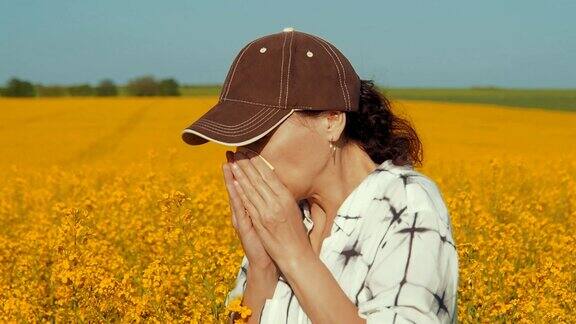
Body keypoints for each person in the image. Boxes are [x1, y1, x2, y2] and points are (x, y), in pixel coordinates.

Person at [181, 27, 459, 324]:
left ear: (332, 121)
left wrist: (295, 255)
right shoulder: (288, 215)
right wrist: (262, 267)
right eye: (240, 140)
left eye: (259, 136)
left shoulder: (405, 204)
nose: (245, 158)